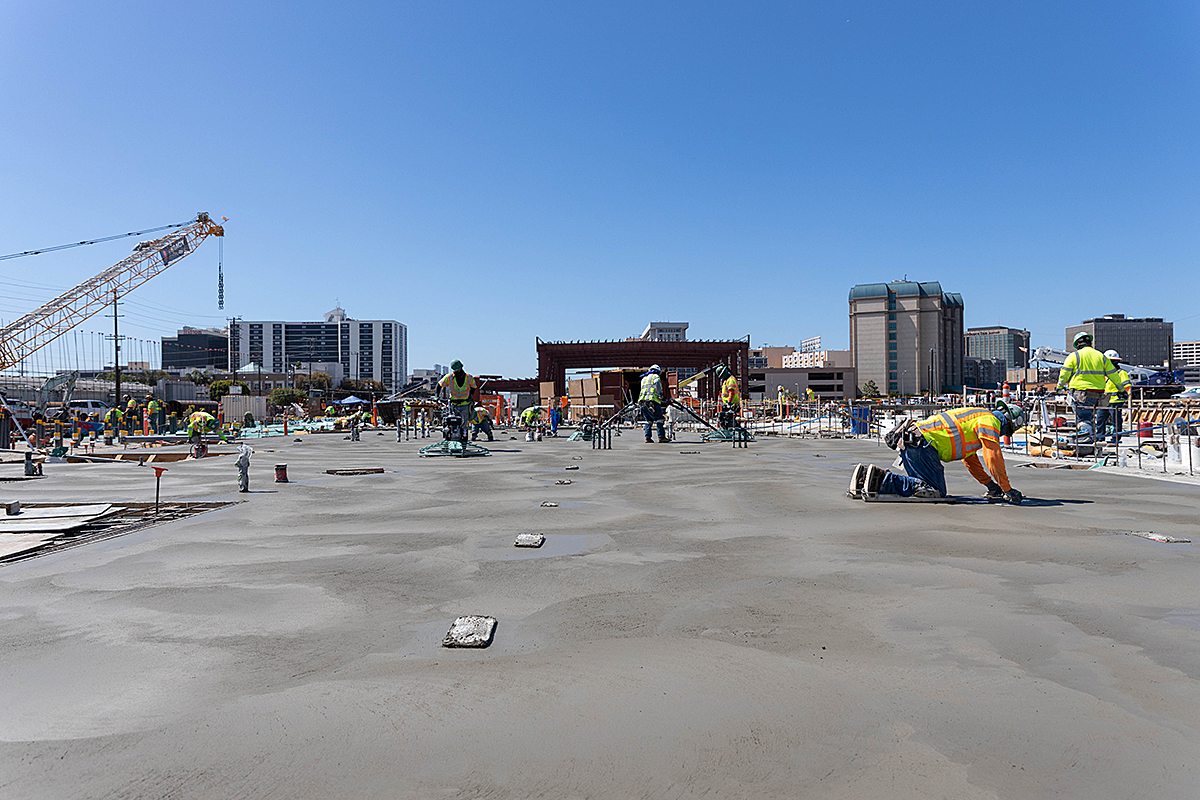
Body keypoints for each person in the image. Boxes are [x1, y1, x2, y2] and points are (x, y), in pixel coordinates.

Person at [848, 400, 1027, 504]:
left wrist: (990, 485)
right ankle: (880, 480)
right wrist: (1007, 489)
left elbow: (970, 460)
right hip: (923, 445)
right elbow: (992, 455)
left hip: (911, 440)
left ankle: (864, 476)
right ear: (1010, 423)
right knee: (933, 491)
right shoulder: (990, 421)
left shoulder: (978, 415)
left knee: (918, 485)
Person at [1057, 332, 1128, 440]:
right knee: (1091, 419)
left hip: (1081, 394)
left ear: (1077, 344)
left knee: (1084, 420)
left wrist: (1060, 387)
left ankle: (1089, 443)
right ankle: (1092, 440)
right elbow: (1114, 374)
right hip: (1098, 394)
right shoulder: (1101, 356)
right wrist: (1121, 390)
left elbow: (1064, 373)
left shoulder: (1074, 356)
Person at [1095, 350, 1131, 445]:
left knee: (1116, 421)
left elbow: (1127, 386)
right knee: (1100, 420)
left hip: (1115, 401)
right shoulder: (1102, 374)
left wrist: (1120, 393)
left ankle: (1115, 439)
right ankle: (1100, 438)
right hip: (1103, 401)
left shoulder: (1121, 373)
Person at [437, 360, 479, 440]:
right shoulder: (449, 377)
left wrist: (470, 395)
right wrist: (436, 396)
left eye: (457, 370)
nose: (455, 372)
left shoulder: (469, 377)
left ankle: (464, 434)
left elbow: (474, 387)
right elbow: (439, 385)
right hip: (453, 404)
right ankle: (450, 434)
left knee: (464, 422)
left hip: (465, 403)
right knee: (451, 420)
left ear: (461, 368)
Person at [638, 364, 670, 443]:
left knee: (648, 420)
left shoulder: (644, 378)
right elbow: (657, 384)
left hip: (643, 402)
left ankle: (647, 438)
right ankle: (661, 437)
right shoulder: (655, 377)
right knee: (660, 419)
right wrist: (660, 394)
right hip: (652, 401)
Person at [716, 364, 740, 430]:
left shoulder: (731, 380)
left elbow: (731, 392)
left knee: (727, 419)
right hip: (728, 404)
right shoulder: (726, 381)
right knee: (723, 418)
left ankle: (731, 431)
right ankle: (727, 430)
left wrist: (729, 403)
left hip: (732, 404)